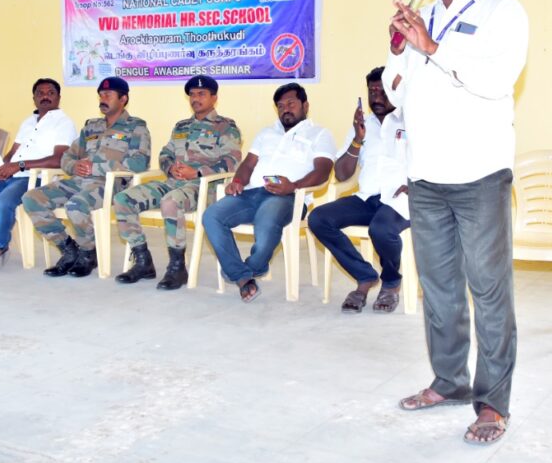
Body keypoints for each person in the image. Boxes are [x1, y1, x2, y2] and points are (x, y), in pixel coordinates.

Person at [384, 0, 529, 445]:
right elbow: (395, 94)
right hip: (426, 175)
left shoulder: (503, 13)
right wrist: (398, 52)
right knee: (440, 289)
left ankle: (493, 402)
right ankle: (449, 382)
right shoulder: (421, 16)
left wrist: (433, 48)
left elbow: (495, 80)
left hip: (479, 174)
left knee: (488, 292)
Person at [201, 82, 334, 303]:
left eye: (291, 103)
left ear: (305, 105)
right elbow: (248, 164)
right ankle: (243, 277)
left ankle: (250, 269)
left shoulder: (320, 134)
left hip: (289, 197)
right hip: (252, 193)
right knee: (211, 215)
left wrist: (293, 186)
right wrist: (237, 181)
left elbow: (323, 171)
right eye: (280, 106)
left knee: (267, 216)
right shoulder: (266, 132)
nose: (285, 109)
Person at [114, 75, 241, 290]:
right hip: (173, 182)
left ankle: (177, 267)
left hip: (204, 187)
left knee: (170, 201)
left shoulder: (226, 127)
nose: (195, 98)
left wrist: (197, 172)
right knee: (123, 198)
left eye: (201, 94)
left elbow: (231, 162)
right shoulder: (181, 126)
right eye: (192, 94)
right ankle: (143, 261)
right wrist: (170, 167)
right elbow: (165, 153)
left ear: (214, 98)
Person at [21, 76, 150, 279]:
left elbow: (140, 162)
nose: (103, 98)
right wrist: (74, 166)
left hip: (110, 184)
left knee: (76, 205)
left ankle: (88, 253)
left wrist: (95, 168)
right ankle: (68, 249)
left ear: (123, 98)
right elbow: (67, 157)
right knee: (31, 198)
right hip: (78, 181)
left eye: (108, 95)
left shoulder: (136, 127)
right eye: (100, 95)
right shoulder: (91, 126)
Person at [307, 66, 410, 314]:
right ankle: (365, 276)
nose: (377, 97)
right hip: (367, 198)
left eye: (382, 91)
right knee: (318, 218)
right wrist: (357, 138)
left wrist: (416, 184)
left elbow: (433, 159)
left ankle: (391, 282)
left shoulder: (412, 119)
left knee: (381, 229)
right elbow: (342, 174)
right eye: (372, 92)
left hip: (401, 199)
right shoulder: (363, 126)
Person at [0, 77, 77, 270]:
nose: (45, 97)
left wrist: (20, 165)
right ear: (34, 98)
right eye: (40, 93)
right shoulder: (28, 122)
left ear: (58, 97)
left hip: (35, 177)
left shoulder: (64, 123)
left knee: (3, 201)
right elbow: (13, 153)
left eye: (50, 93)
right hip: (12, 174)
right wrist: (2, 165)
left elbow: (58, 160)